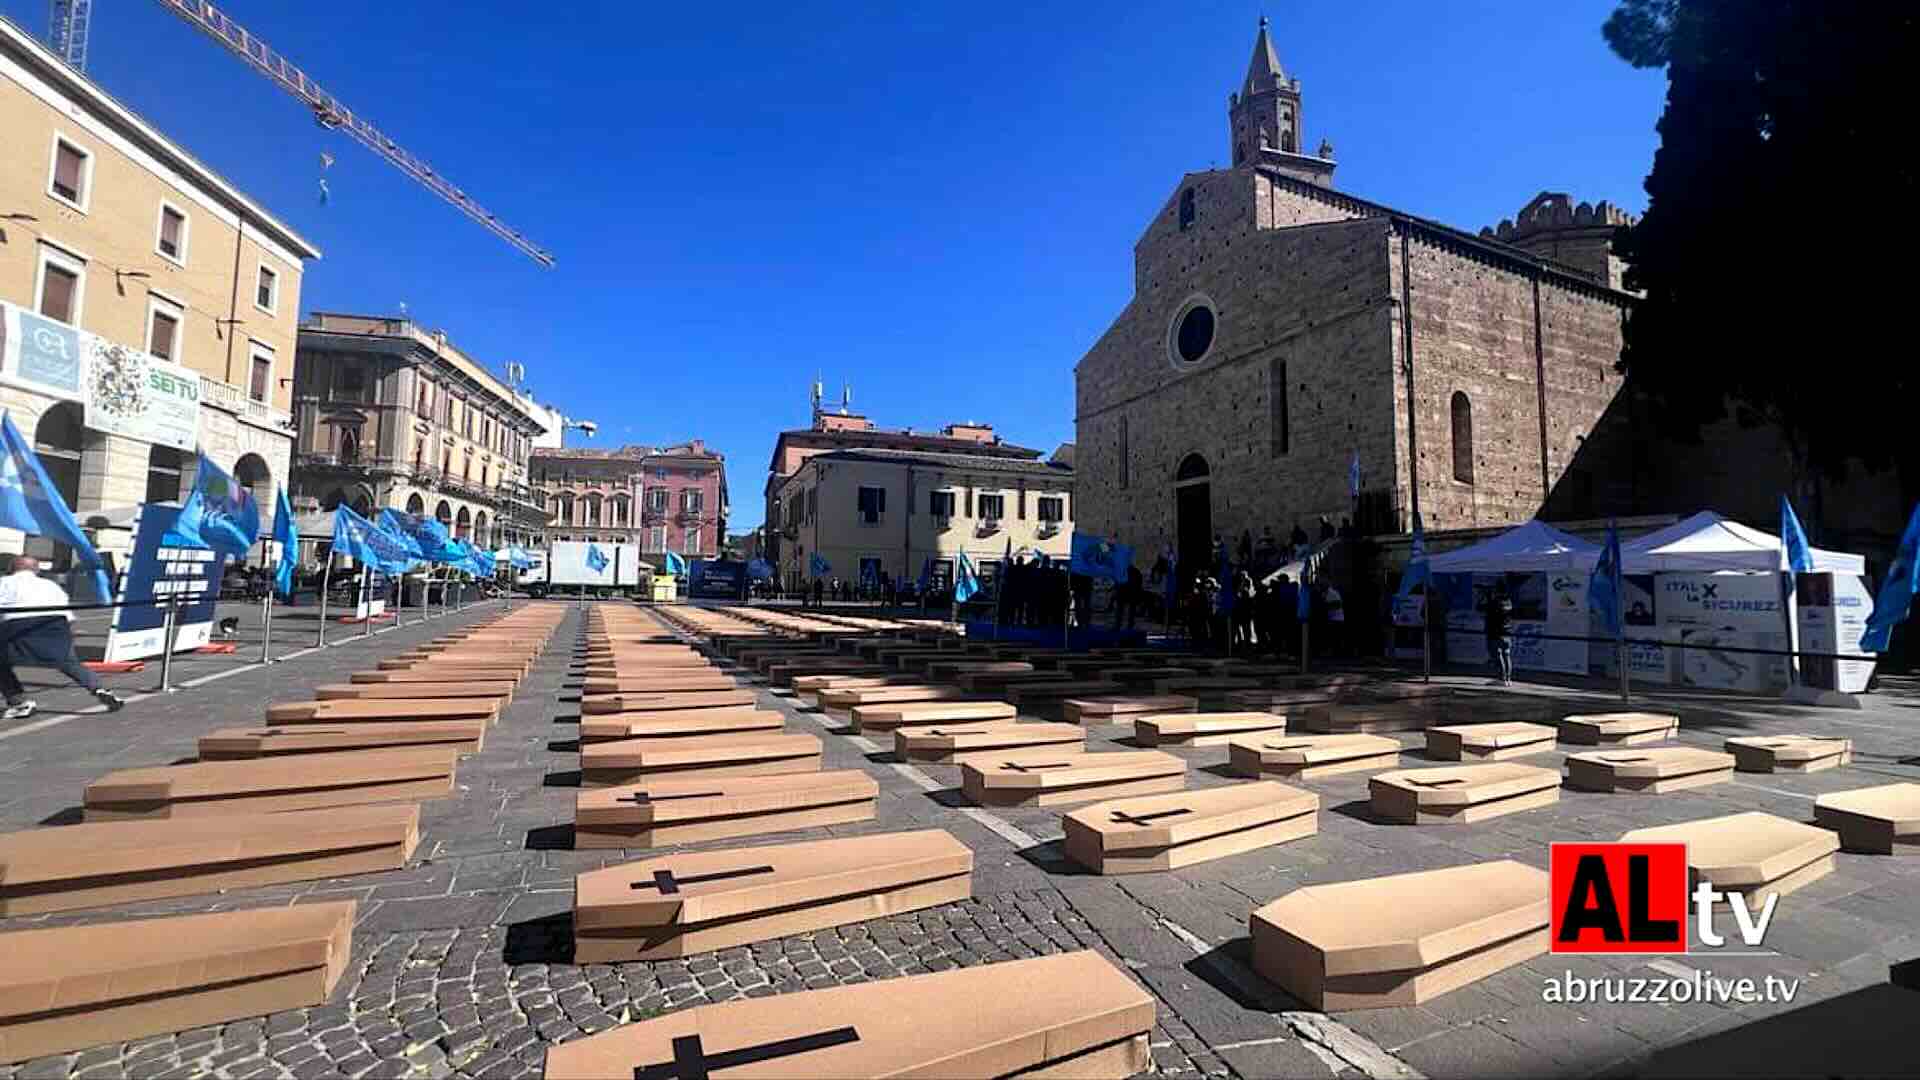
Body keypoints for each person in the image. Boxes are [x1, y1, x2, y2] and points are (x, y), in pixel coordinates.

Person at [0, 556, 125, 719]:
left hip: (18, 629)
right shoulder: (51, 586)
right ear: (36, 570)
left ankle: (19, 702)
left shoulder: (4, 582)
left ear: (11, 568)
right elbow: (68, 616)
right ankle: (99, 688)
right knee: (69, 662)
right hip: (55, 626)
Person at [1485, 586, 1514, 686]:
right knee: (1506, 655)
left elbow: (1482, 608)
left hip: (1496, 633)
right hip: (1507, 632)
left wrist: (1487, 597)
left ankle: (1501, 678)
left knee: (1498, 655)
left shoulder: (1495, 603)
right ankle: (1508, 679)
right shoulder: (1509, 602)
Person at [1323, 581, 1346, 656]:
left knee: (1334, 637)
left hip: (1336, 618)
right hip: (1334, 618)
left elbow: (1338, 604)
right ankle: (1335, 652)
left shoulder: (1332, 593)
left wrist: (1326, 606)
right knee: (1334, 637)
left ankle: (1335, 653)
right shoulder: (1328, 593)